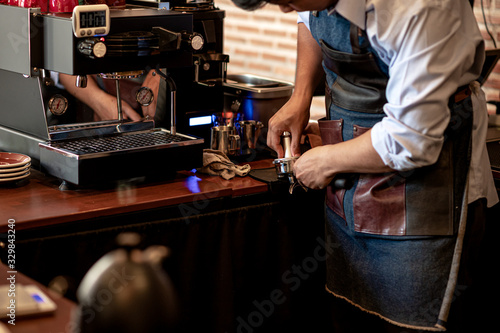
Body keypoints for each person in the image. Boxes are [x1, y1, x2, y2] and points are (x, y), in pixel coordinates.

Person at [231, 0, 498, 332]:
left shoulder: (420, 7)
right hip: (350, 182)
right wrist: (300, 97)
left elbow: (411, 138)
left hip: (428, 188)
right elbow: (308, 16)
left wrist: (326, 159)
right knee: (350, 314)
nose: (285, 10)